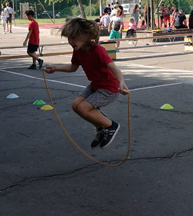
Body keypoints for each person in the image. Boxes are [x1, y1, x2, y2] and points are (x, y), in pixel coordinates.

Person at [44, 18, 129, 149]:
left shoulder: (98, 50)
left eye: (74, 37)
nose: (70, 41)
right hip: (95, 85)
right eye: (69, 38)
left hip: (109, 88)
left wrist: (121, 82)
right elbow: (73, 67)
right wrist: (56, 68)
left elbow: (114, 68)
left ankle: (111, 126)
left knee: (83, 108)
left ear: (85, 36)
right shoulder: (78, 51)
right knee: (75, 105)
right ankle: (100, 128)